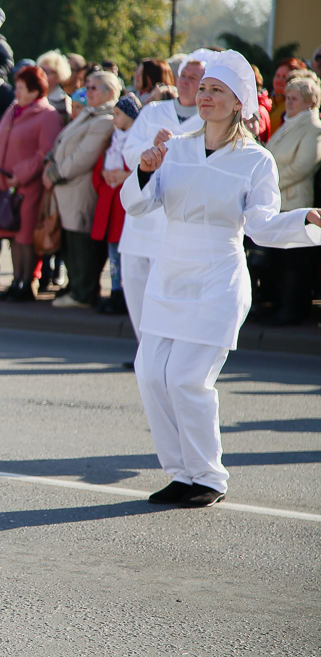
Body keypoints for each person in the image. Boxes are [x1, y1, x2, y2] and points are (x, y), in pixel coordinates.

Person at [121, 50, 321, 508]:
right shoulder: (176, 148)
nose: (205, 95)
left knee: (186, 378)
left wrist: (305, 220)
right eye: (203, 88)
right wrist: (144, 171)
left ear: (239, 103)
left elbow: (262, 226)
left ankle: (208, 476)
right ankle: (181, 473)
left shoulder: (255, 160)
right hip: (170, 276)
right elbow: (136, 204)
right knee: (150, 374)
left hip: (218, 280)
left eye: (217, 90)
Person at [119, 49, 217, 340]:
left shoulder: (209, 122)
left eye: (194, 78)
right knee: (135, 292)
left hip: (172, 227)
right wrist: (151, 145)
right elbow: (129, 154)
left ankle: (163, 351)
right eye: (183, 75)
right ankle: (144, 352)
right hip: (138, 222)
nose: (185, 81)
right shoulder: (153, 111)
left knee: (165, 300)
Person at [0, 65, 62, 301]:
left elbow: (45, 152)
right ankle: (16, 281)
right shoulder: (12, 110)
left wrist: (20, 174)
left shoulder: (47, 115)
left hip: (28, 187)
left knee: (26, 237)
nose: (15, 92)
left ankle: (27, 283)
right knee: (12, 234)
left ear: (35, 91)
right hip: (5, 185)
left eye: (20, 88)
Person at [44, 71, 119, 308]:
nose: (89, 91)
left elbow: (84, 156)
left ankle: (83, 293)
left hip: (79, 187)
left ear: (110, 93)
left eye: (94, 88)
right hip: (67, 187)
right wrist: (50, 161)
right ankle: (75, 286)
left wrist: (54, 173)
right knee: (69, 240)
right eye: (88, 86)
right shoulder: (89, 113)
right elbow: (63, 141)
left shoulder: (106, 119)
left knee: (81, 241)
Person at [261, 72, 321, 325]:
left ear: (311, 101)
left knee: (294, 262)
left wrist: (267, 183)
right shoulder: (289, 124)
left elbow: (302, 167)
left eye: (294, 98)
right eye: (287, 98)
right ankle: (278, 306)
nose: (289, 102)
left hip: (297, 203)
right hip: (279, 202)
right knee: (277, 259)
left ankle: (293, 310)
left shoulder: (314, 128)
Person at [91, 93, 142, 315]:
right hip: (109, 202)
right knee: (113, 252)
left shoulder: (138, 139)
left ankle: (127, 294)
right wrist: (104, 176)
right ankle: (115, 291)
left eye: (118, 114)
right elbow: (100, 166)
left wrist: (125, 176)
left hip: (124, 206)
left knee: (127, 251)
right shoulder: (112, 138)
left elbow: (143, 170)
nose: (114, 118)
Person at [269, 57, 308, 133]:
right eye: (277, 75)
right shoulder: (268, 101)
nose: (279, 80)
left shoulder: (294, 106)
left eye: (284, 77)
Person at [37, 50, 72, 124]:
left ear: (58, 75)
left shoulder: (64, 102)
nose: (41, 75)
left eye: (46, 72)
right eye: (40, 70)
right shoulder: (31, 95)